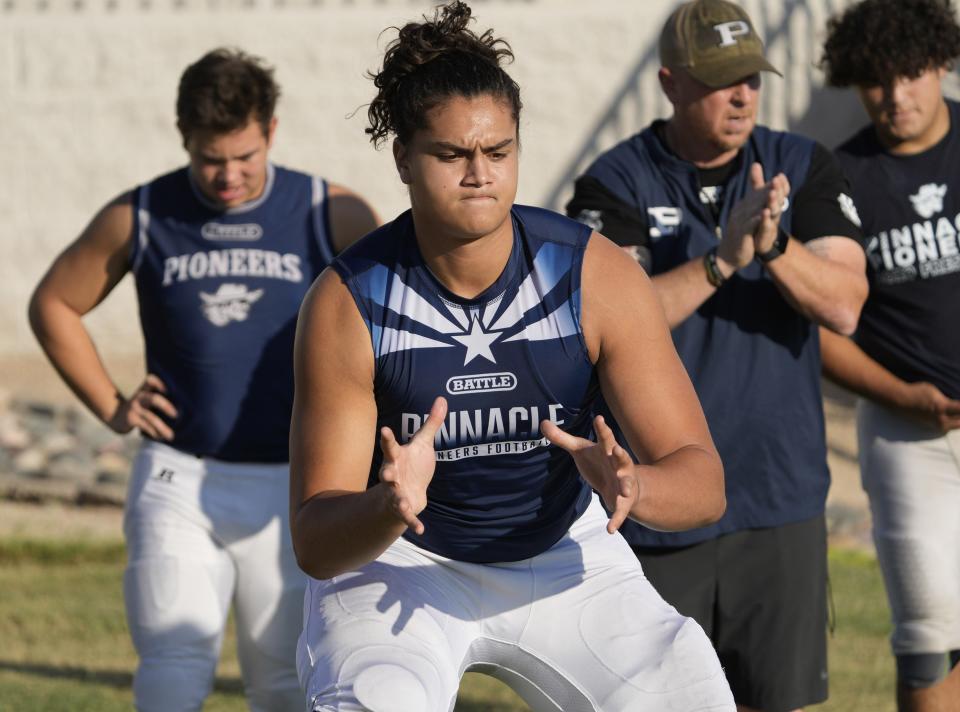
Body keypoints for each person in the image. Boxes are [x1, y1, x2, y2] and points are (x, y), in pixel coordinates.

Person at [289, 2, 736, 710]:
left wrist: (634, 489)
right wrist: (388, 506)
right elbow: (315, 540)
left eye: (498, 152)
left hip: (563, 548)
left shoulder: (594, 275)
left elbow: (703, 481)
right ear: (403, 156)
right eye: (451, 154)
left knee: (691, 691)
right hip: (404, 564)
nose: (479, 174)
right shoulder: (349, 300)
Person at [28, 48, 378, 712]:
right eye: (210, 159)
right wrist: (111, 404)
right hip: (178, 478)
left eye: (243, 157)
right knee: (173, 659)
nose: (227, 176)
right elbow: (54, 303)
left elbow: (393, 325)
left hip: (296, 482)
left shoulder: (330, 211)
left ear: (271, 130)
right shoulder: (143, 213)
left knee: (283, 677)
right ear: (183, 137)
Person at [565, 1, 868, 710]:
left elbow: (846, 305)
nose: (741, 97)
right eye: (720, 81)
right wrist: (721, 261)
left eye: (752, 80)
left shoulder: (799, 163)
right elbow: (604, 326)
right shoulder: (616, 181)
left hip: (778, 499)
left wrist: (776, 247)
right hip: (661, 503)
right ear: (669, 84)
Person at [819, 1, 960, 710]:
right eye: (876, 81)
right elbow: (821, 334)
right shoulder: (840, 178)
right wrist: (905, 396)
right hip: (909, 435)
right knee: (928, 630)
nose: (895, 96)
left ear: (940, 62)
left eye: (909, 74)